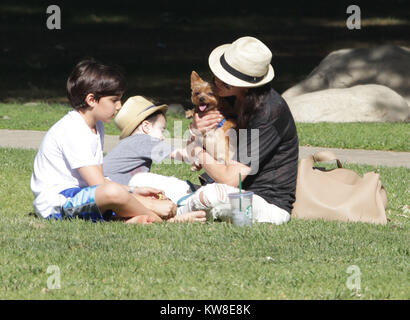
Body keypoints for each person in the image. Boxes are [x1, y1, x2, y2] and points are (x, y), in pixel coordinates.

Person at [30, 59, 205, 224]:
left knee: (122, 192)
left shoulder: (96, 126)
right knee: (114, 192)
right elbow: (99, 186)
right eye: (114, 100)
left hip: (85, 196)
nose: (119, 105)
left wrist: (132, 191)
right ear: (91, 100)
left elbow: (99, 181)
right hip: (58, 203)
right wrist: (143, 201)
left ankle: (131, 218)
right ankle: (169, 219)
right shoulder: (73, 129)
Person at [186, 36, 299, 225]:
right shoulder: (229, 98)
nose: (217, 81)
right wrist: (195, 130)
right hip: (226, 189)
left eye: (225, 80)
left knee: (208, 196)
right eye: (217, 75)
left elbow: (230, 179)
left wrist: (197, 150)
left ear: (246, 84)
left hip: (263, 202)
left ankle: (176, 210)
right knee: (147, 182)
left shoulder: (267, 111)